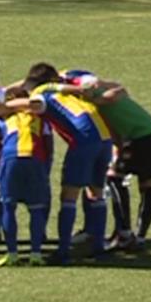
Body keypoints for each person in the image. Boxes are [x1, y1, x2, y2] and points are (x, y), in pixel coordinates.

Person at [17, 62, 114, 265]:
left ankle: (63, 251)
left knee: (68, 195)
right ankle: (98, 246)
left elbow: (43, 95)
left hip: (83, 140)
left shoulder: (43, 91)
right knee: (96, 192)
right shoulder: (71, 97)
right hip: (104, 138)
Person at [60, 69, 151, 250]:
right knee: (143, 184)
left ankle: (127, 234)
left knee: (119, 179)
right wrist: (117, 147)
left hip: (141, 136)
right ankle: (135, 237)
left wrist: (96, 97)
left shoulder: (92, 94)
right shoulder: (92, 99)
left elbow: (116, 93)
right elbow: (112, 126)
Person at [0, 86, 51, 267]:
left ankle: (12, 253)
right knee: (36, 208)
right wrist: (45, 167)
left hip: (10, 160)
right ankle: (36, 253)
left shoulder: (1, 119)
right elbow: (49, 144)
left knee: (8, 207)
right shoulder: (40, 118)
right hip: (35, 159)